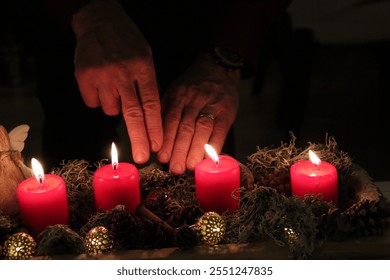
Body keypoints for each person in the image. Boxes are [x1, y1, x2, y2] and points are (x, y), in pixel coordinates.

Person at [26, 0, 291, 174]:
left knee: (197, 150)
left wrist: (225, 56)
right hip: (73, 38)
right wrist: (88, 10)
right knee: (73, 155)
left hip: (200, 29)